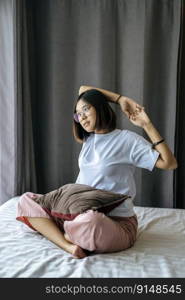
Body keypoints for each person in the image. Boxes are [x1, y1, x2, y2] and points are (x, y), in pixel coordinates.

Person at [16, 85, 177, 259]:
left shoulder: (127, 140)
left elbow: (169, 163)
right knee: (26, 201)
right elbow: (82, 89)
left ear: (100, 106)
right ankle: (68, 244)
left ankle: (66, 231)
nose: (82, 116)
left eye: (86, 109)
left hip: (114, 222)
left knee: (91, 221)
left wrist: (147, 124)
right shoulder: (89, 139)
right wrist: (120, 99)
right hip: (77, 210)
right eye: (78, 114)